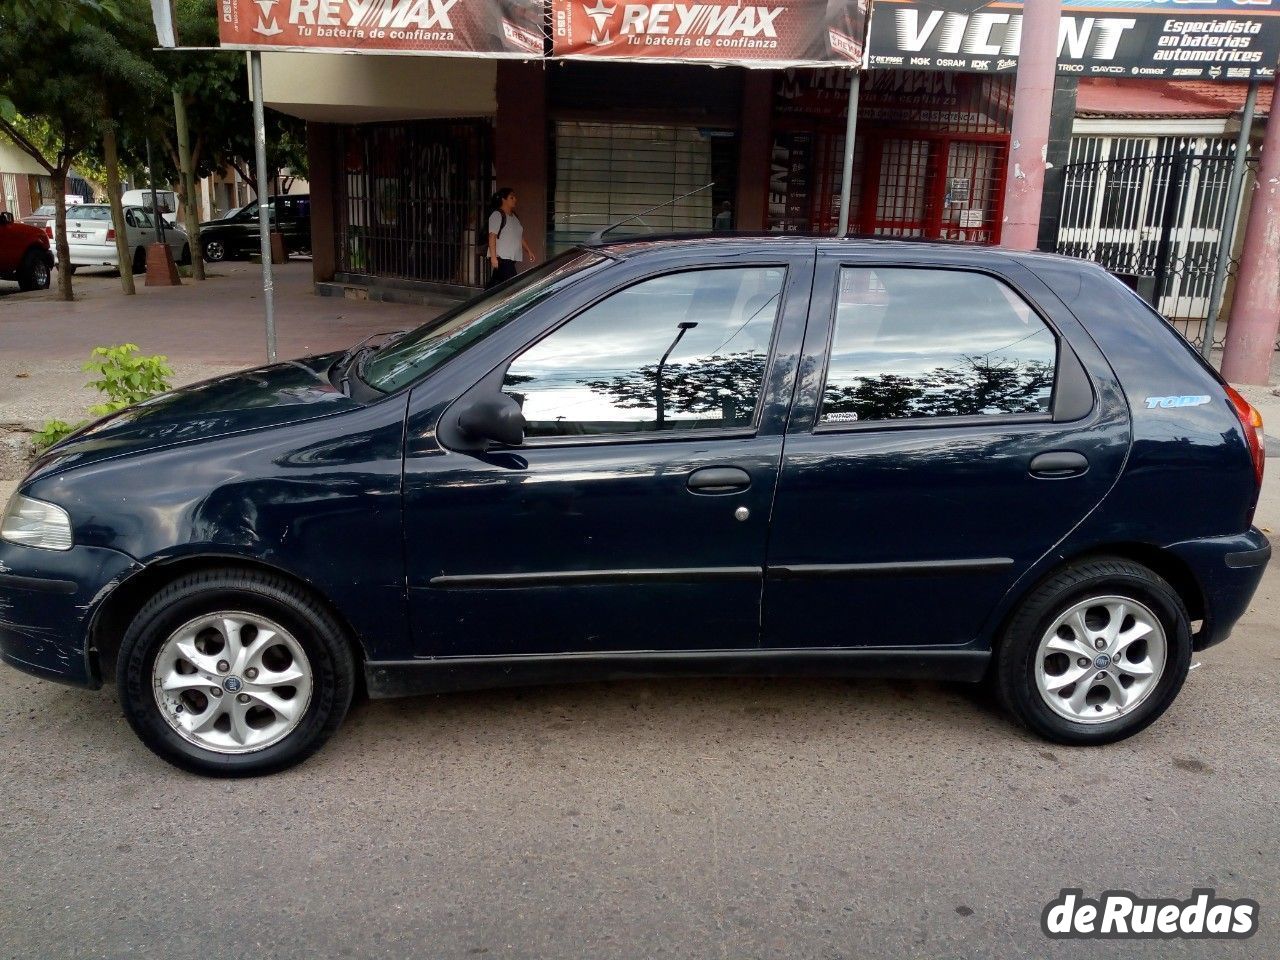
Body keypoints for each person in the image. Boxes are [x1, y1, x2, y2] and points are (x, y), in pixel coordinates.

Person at [486, 187, 535, 288]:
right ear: (503, 199)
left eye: (514, 197)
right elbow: (492, 236)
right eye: (511, 197)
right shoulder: (497, 215)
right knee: (513, 285)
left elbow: (519, 237)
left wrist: (528, 251)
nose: (515, 199)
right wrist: (494, 258)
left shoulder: (514, 217)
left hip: (510, 259)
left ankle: (483, 300)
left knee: (495, 284)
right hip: (502, 258)